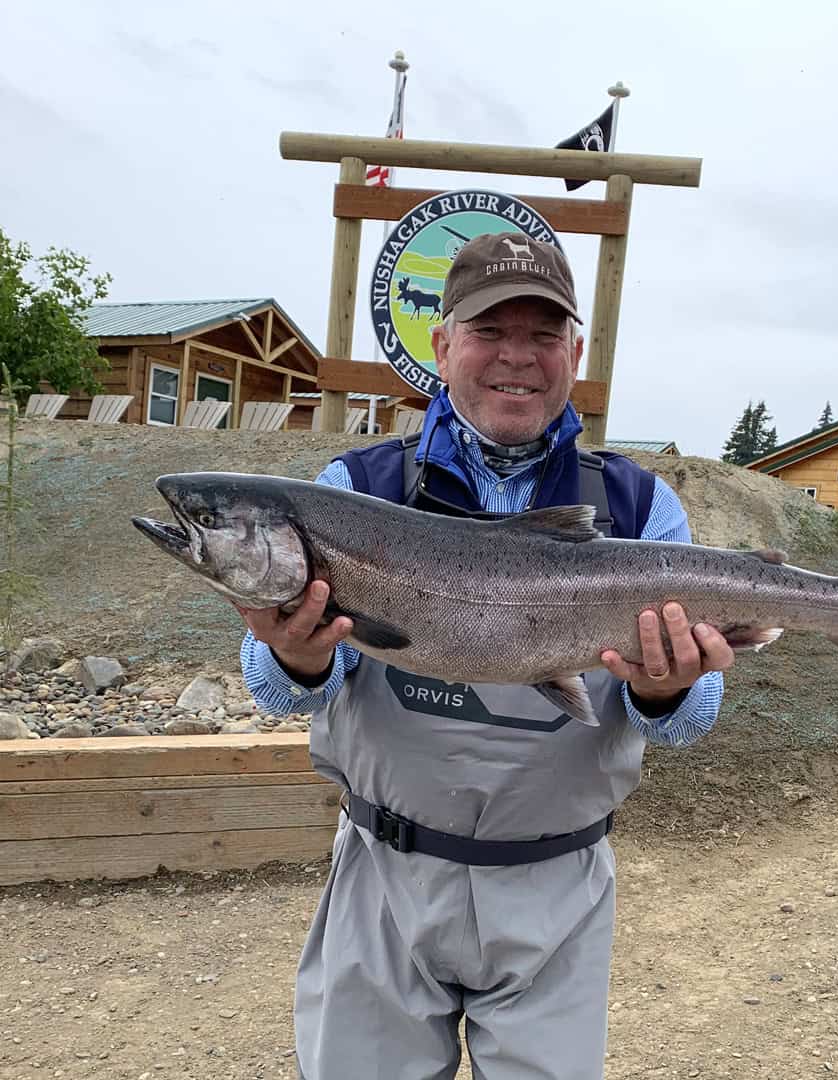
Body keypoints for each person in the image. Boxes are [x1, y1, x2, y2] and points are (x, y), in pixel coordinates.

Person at [237, 232, 734, 1080]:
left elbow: (690, 721)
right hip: (383, 881)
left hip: (558, 887)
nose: (518, 357)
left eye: (543, 335)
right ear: (441, 345)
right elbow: (280, 695)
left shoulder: (638, 506)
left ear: (575, 351)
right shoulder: (353, 492)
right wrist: (296, 659)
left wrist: (665, 691)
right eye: (488, 330)